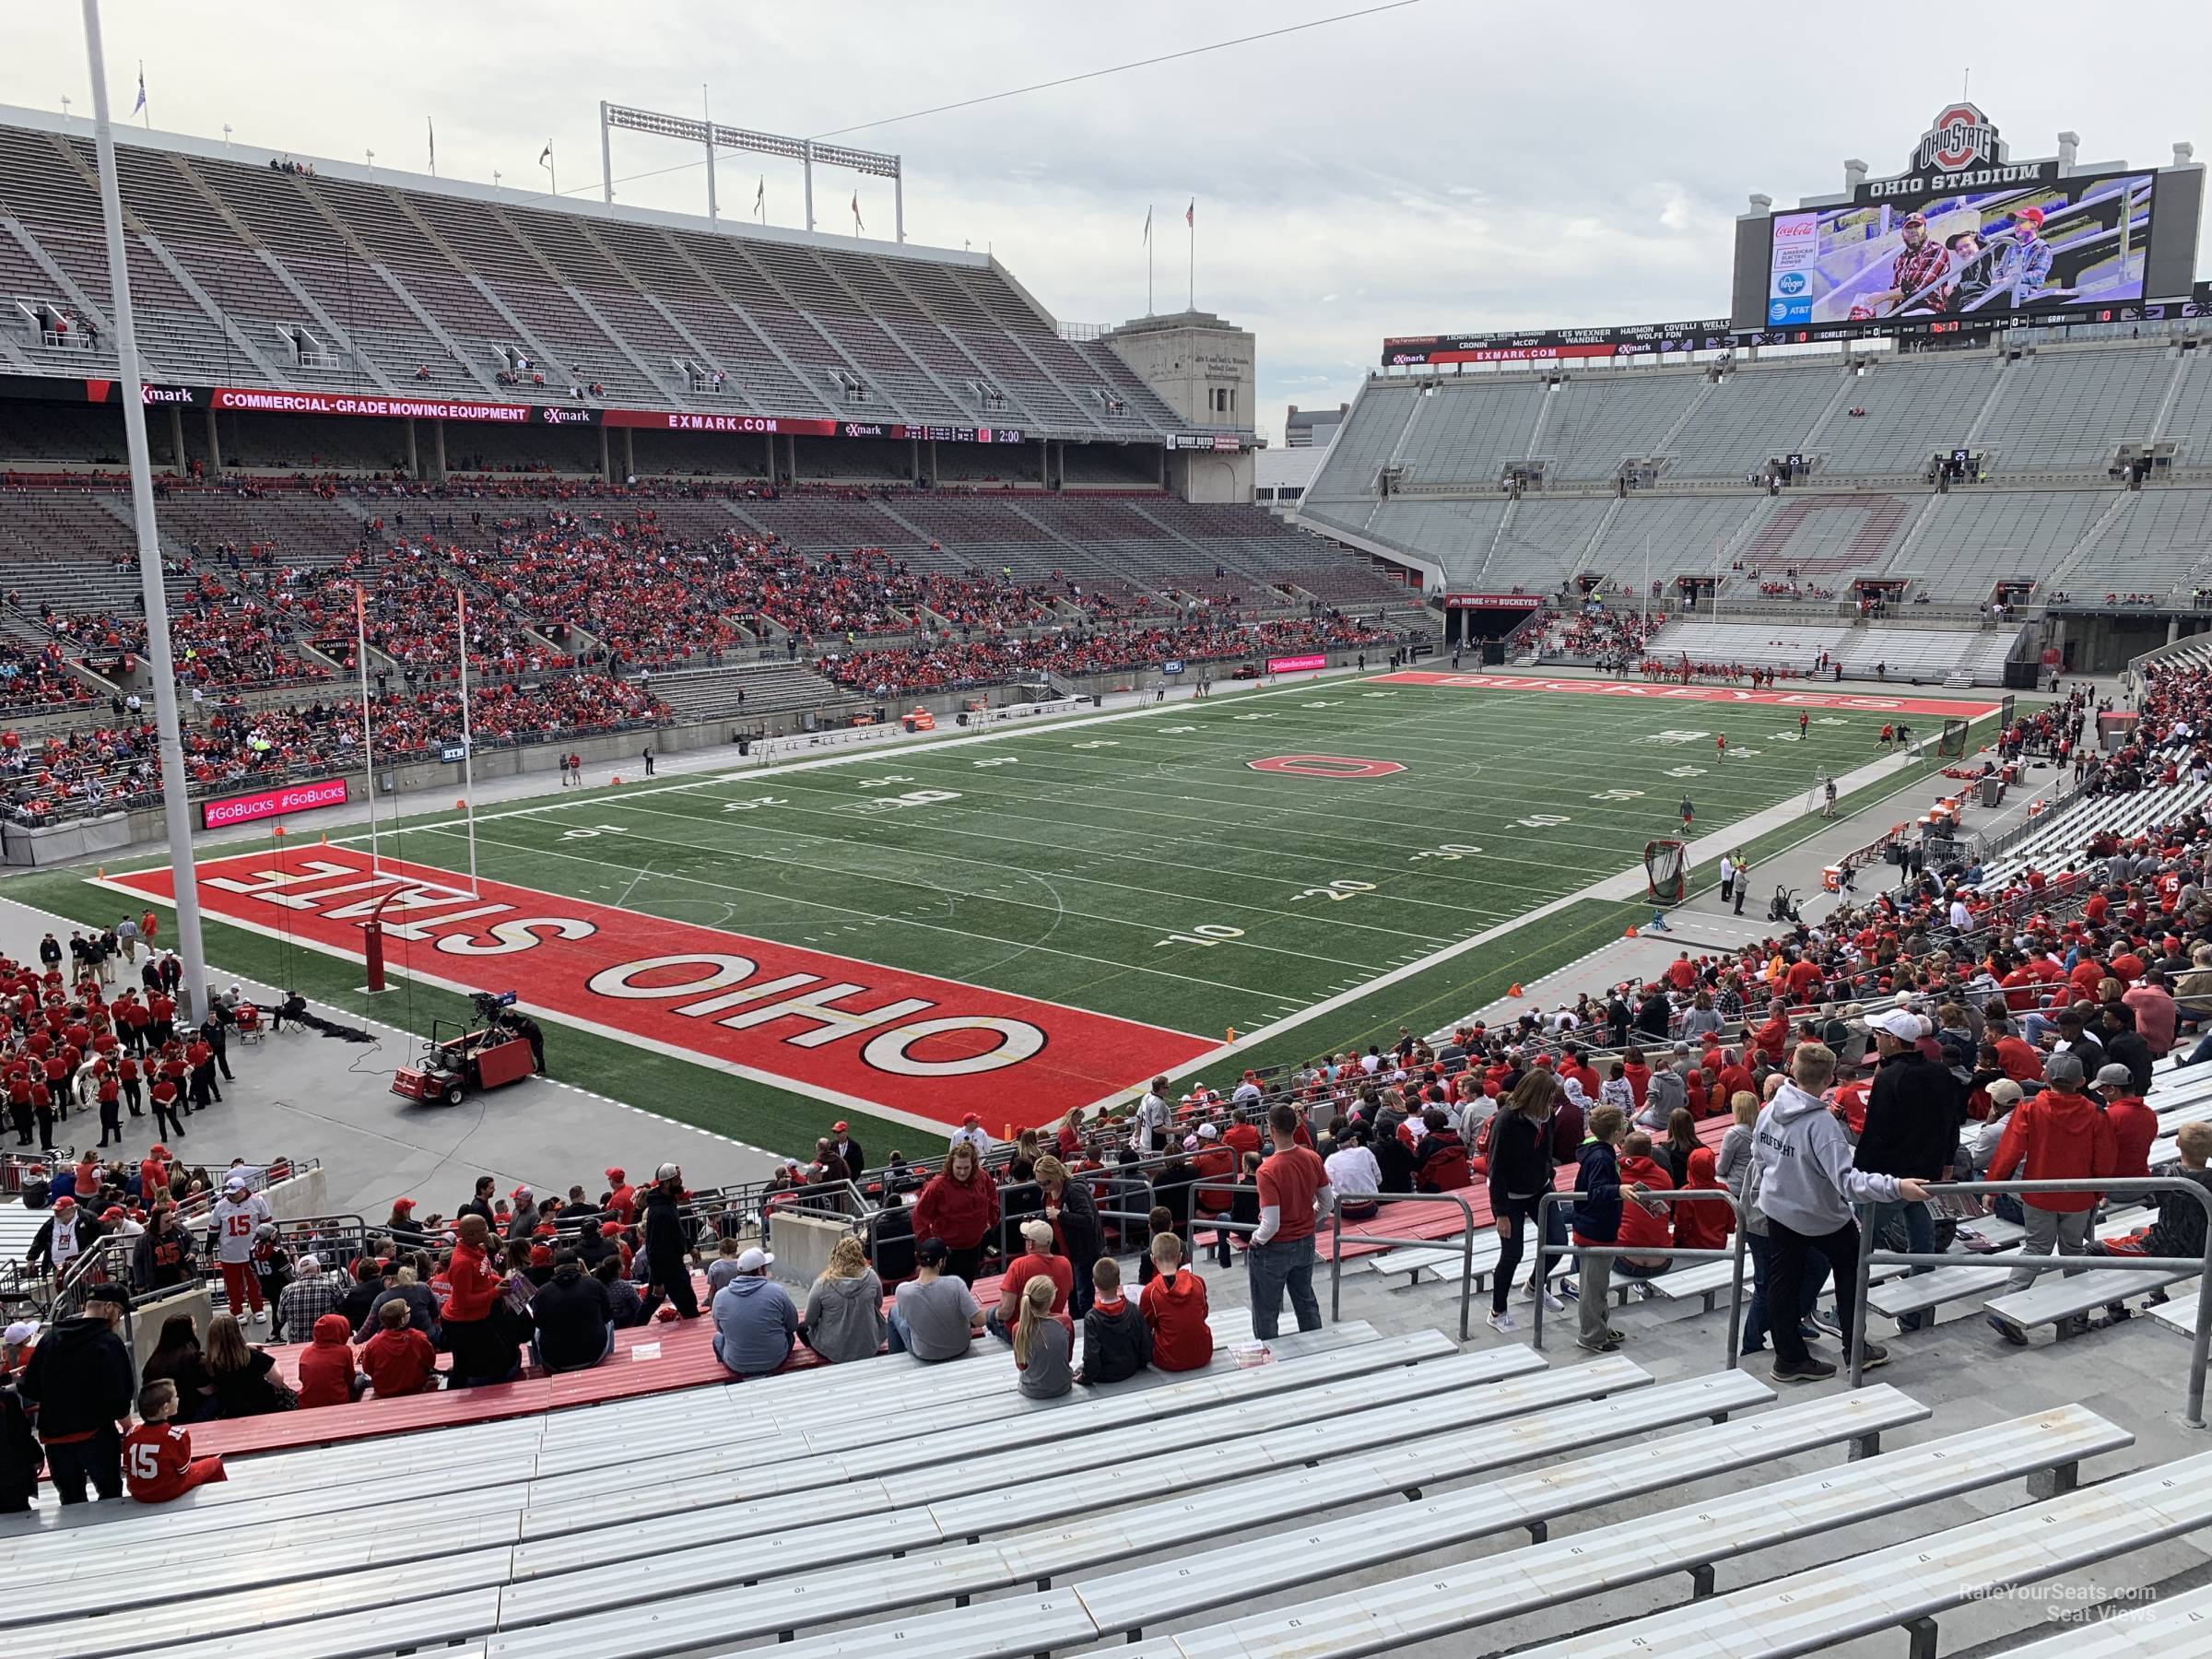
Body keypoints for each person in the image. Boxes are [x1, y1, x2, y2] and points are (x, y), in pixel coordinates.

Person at [1753, 1042, 1927, 1382]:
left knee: (1782, 1282)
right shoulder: (1822, 1125)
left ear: (1792, 1070)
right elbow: (1849, 1183)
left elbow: (1760, 1156)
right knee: (1851, 1274)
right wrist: (1896, 1187)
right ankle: (1855, 1350)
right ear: (1830, 1077)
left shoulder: (1769, 1110)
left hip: (1780, 1210)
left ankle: (1788, 1358)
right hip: (1821, 1217)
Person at [1986, 1049, 2117, 1345]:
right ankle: (2075, 1317)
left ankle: (2006, 1308)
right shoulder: (2096, 1112)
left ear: (2044, 1076)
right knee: (2074, 1252)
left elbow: (2009, 1152)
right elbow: (2105, 1158)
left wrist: (1993, 1187)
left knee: (2035, 1250)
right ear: (2082, 1081)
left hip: (2039, 1194)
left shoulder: (2030, 1108)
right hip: (2078, 1196)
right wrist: (2098, 1191)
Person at [1856, 1007, 1962, 1332]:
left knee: (1859, 1244)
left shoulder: (1890, 1077)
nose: (1875, 1039)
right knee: (1922, 1240)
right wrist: (1946, 1161)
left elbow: (1875, 1131)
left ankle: (1850, 1312)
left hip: (1892, 1178)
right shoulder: (1941, 1072)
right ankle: (1914, 1314)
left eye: (1878, 1035)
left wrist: (1858, 1174)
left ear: (1892, 1039)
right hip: (1927, 1173)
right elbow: (1952, 1122)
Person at [19, 1283, 134, 1503]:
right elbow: (120, 1398)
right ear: (108, 1308)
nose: (118, 1319)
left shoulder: (50, 1339)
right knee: (110, 1498)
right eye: (119, 1313)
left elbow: (29, 1387)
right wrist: (128, 1427)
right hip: (97, 1437)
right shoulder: (108, 1343)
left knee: (71, 1502)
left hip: (55, 1440)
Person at [1250, 1102, 1333, 1340]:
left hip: (1275, 1247)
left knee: (1266, 1310)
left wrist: (1257, 1239)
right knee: (1306, 1300)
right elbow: (1327, 1203)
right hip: (1305, 1241)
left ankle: (1269, 1361)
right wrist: (1308, 1220)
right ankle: (1319, 1351)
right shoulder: (1312, 1157)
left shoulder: (1267, 1171)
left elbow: (1271, 1223)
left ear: (1272, 1130)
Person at [1486, 1069, 1558, 1335]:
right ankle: (1497, 1311)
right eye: (1548, 1097)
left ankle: (1535, 1286)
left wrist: (1549, 1174)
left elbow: (1547, 1148)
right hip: (1512, 1197)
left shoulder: (1547, 1116)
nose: (1551, 1103)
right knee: (1512, 1254)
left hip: (1540, 1189)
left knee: (1558, 1242)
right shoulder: (1506, 1120)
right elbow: (1497, 1168)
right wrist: (1500, 1212)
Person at [123, 1380, 227, 1503]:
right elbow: (183, 1471)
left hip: (138, 1493)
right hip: (167, 1491)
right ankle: (221, 1502)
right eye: (175, 1397)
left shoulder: (131, 1434)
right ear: (166, 1408)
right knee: (215, 1463)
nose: (178, 1399)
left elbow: (126, 1468)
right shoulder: (176, 1436)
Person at [440, 1213, 513, 1387]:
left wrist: (498, 1281)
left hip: (476, 1318)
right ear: (470, 1235)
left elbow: (484, 1276)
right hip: (462, 1323)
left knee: (495, 1357)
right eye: (483, 1230)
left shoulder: (477, 1250)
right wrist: (495, 1292)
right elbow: (465, 1301)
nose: (488, 1233)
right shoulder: (462, 1263)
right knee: (466, 1364)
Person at [913, 1140, 999, 1287]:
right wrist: (931, 1244)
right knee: (945, 1292)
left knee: (967, 1286)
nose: (962, 1172)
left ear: (973, 1165)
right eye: (958, 1167)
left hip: (974, 1247)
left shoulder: (982, 1176)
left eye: (966, 1167)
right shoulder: (938, 1185)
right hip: (948, 1252)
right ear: (950, 1165)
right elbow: (918, 1215)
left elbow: (992, 1196)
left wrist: (992, 1220)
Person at [887, 1236, 984, 1360]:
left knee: (894, 1311)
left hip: (925, 1353)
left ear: (917, 1257)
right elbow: (980, 1321)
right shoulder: (956, 1284)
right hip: (960, 1347)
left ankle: (894, 1359)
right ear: (940, 1262)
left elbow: (906, 1319)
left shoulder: (902, 1291)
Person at [711, 1246, 797, 1378]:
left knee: (717, 1339)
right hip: (774, 1361)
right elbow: (792, 1325)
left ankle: (731, 1383)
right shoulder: (777, 1292)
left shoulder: (720, 1296)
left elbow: (721, 1330)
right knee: (789, 1336)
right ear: (760, 1270)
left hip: (737, 1364)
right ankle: (778, 1378)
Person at [1033, 1155, 1102, 1317]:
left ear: (1057, 1174)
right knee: (1070, 1291)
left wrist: (1060, 1215)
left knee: (1082, 1293)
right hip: (1065, 1251)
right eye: (1039, 1183)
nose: (1043, 1186)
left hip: (1082, 1250)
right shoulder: (1049, 1193)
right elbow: (1049, 1213)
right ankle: (1077, 1321)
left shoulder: (1074, 1190)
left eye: (1046, 1182)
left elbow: (1087, 1219)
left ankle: (1086, 1323)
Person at [802, 1236, 886, 1365]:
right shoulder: (872, 1277)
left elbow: (810, 1320)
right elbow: (878, 1304)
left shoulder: (823, 1284)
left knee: (801, 1328)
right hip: (868, 1346)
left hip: (834, 1351)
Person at [530, 1249, 616, 1373]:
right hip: (594, 1354)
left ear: (555, 1269)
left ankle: (538, 1369)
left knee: (536, 1331)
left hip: (554, 1360)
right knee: (609, 1321)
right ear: (578, 1266)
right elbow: (608, 1316)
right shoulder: (594, 1284)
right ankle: (610, 1361)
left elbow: (538, 1323)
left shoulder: (542, 1292)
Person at [1139, 1231, 1213, 1371]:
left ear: (1153, 1260)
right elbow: (1204, 1313)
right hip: (1203, 1354)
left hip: (1168, 1360)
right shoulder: (1198, 1282)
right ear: (1180, 1257)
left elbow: (1144, 1328)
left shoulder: (1150, 1292)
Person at [206, 1175, 274, 1325]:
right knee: (232, 1286)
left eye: (235, 1192)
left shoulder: (257, 1201)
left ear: (243, 1190)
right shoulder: (221, 1205)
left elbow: (268, 1225)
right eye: (229, 1192)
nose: (232, 1195)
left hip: (252, 1251)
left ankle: (258, 1308)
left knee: (255, 1282)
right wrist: (208, 1251)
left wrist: (269, 1245)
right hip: (229, 1253)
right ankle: (236, 1311)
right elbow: (213, 1230)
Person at [990, 1219, 1072, 1340]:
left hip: (1021, 1335)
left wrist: (994, 1315)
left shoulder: (1018, 1265)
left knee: (990, 1315)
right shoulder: (1065, 1264)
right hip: (1051, 1328)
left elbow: (1005, 1312)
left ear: (1031, 1244)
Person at [638, 1163, 700, 1320]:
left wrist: (690, 1246)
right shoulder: (661, 1212)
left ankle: (635, 1328)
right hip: (669, 1267)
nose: (681, 1181)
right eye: (677, 1179)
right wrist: (658, 1281)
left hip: (669, 1265)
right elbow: (653, 1249)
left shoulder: (666, 1201)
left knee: (652, 1302)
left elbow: (677, 1229)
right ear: (666, 1183)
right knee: (688, 1305)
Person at [1077, 1254, 1151, 1384]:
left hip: (1104, 1375)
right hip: (1131, 1368)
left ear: (1094, 1283)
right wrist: (1141, 1364)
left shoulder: (1092, 1318)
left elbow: (1091, 1357)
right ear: (1118, 1282)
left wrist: (1084, 1378)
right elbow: (1146, 1344)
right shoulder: (1134, 1309)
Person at [203, 1312, 292, 1416]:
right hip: (265, 1408)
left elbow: (209, 1390)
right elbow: (278, 1380)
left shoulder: (209, 1364)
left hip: (232, 1412)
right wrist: (274, 1362)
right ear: (238, 1332)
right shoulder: (252, 1356)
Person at [139, 1312, 217, 1422]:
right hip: (191, 1414)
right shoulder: (193, 1359)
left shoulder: (153, 1362)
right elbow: (207, 1390)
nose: (196, 1326)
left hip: (162, 1415)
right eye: (194, 1324)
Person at [357, 1298, 440, 1397]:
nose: (410, 1311)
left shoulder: (373, 1344)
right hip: (415, 1388)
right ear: (402, 1320)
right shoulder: (418, 1338)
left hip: (384, 1392)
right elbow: (430, 1361)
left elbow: (367, 1369)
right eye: (408, 1310)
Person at [1012, 1276, 1073, 1400]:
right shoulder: (1065, 1322)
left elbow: (1021, 1366)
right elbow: (1068, 1357)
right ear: (1051, 1299)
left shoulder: (1019, 1328)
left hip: (1032, 1391)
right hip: (1063, 1386)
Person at [296, 1313, 359, 1408]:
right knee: (362, 1379)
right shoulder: (344, 1351)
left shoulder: (306, 1352)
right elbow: (350, 1379)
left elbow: (302, 1378)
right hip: (338, 1400)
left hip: (307, 1403)